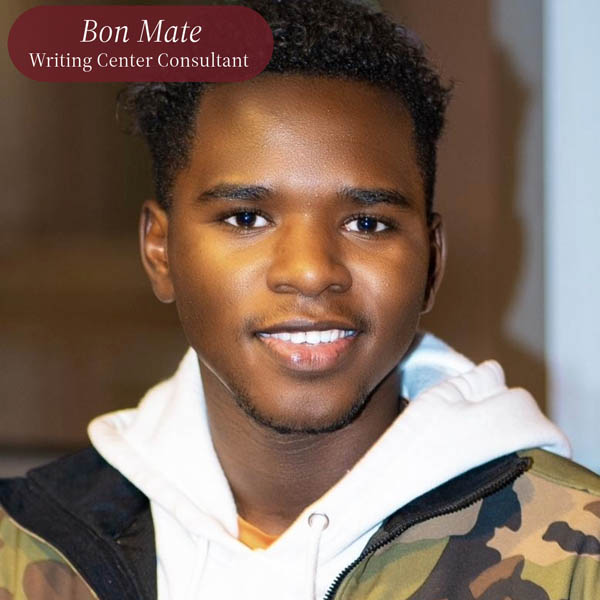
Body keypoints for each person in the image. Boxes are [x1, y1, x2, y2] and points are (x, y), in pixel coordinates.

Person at [1, 1, 599, 599]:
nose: (311, 272)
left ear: (432, 261)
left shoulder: (576, 557)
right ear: (160, 250)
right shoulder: (23, 549)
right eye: (247, 216)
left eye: (367, 224)